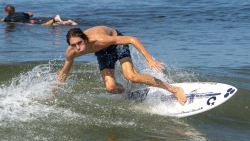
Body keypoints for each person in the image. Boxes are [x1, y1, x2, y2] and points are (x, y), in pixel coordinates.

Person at [53, 26, 186, 105]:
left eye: (80, 43)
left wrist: (149, 59)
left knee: (131, 76)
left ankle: (174, 89)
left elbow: (133, 39)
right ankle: (129, 94)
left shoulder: (100, 39)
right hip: (102, 51)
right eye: (73, 45)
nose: (78, 48)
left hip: (116, 43)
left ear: (85, 39)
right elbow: (64, 72)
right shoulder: (71, 53)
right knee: (110, 87)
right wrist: (54, 91)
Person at [3, 5, 77, 26]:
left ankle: (55, 19)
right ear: (14, 10)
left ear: (7, 12)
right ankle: (67, 22)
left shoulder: (8, 18)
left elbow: (5, 20)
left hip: (31, 23)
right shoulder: (21, 13)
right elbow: (31, 14)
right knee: (51, 23)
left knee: (45, 25)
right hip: (33, 19)